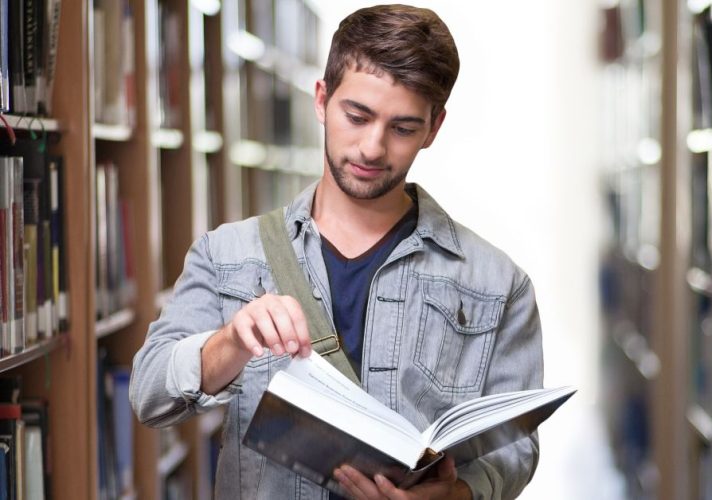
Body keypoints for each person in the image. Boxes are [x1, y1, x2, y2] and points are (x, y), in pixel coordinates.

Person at [130, 4, 544, 499]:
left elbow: (515, 449)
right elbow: (149, 395)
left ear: (434, 128)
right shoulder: (227, 255)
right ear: (322, 100)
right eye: (357, 115)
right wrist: (231, 343)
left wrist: (457, 496)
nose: (372, 147)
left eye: (403, 128)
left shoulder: (498, 284)